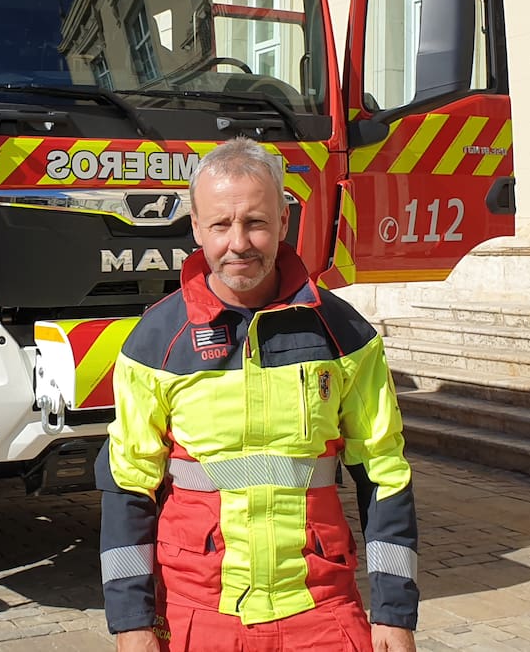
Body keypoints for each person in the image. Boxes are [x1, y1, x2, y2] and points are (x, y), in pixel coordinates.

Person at [96, 137, 418, 652]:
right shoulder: (154, 343)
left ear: (284, 222)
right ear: (197, 227)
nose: (239, 242)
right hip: (196, 615)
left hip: (321, 609)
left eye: (256, 222)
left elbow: (383, 472)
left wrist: (394, 614)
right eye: (221, 224)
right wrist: (132, 623)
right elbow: (128, 487)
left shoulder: (345, 334)